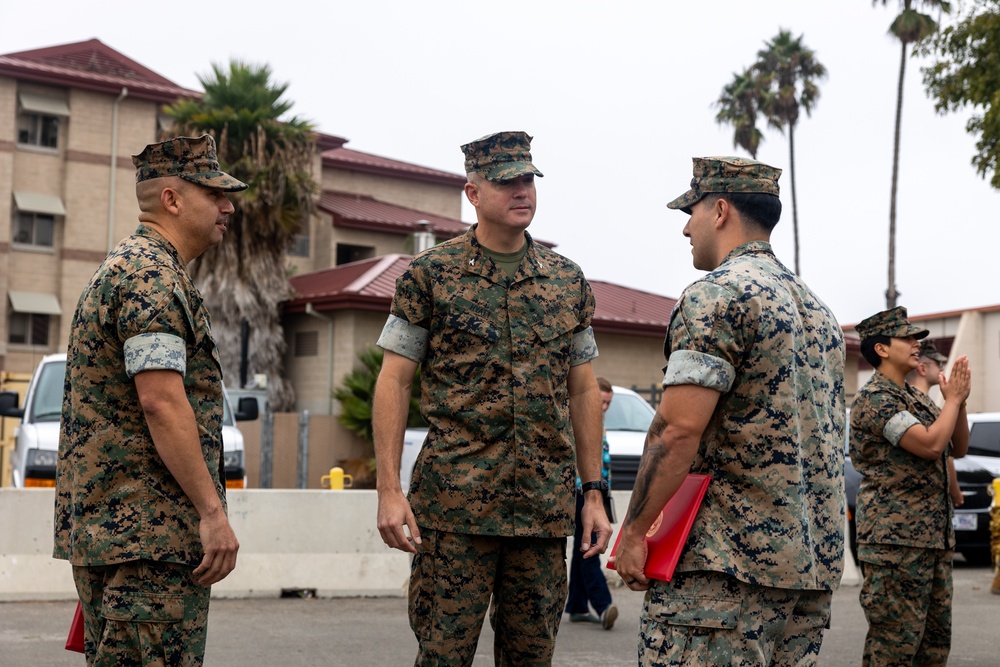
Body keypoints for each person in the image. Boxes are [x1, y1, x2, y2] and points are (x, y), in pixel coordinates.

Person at [373, 130, 610, 666]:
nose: (522, 190)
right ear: (473, 193)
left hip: (542, 513)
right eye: (506, 181)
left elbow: (581, 389)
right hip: (455, 510)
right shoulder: (429, 277)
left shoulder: (566, 282)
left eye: (528, 178)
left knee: (532, 659)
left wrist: (593, 493)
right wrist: (388, 489)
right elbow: (395, 381)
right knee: (442, 656)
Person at [612, 156, 846, 665]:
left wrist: (632, 533)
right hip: (806, 574)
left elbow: (676, 430)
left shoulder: (718, 296)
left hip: (724, 574)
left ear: (720, 211)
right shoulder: (818, 311)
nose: (685, 227)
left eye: (690, 211)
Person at [54, 135, 246, 665]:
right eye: (215, 192)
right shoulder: (150, 278)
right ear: (173, 199)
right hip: (146, 540)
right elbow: (160, 401)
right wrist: (212, 513)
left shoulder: (134, 268)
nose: (228, 205)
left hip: (128, 535)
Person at [851, 306, 971, 666]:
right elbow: (930, 444)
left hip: (931, 541)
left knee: (933, 648)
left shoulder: (916, 399)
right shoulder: (876, 399)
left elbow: (957, 448)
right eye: (906, 338)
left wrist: (959, 403)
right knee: (894, 649)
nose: (917, 344)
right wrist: (950, 401)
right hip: (895, 545)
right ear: (882, 349)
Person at [566, 376, 617, 630]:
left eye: (608, 403)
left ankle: (576, 605)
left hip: (597, 495)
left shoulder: (599, 423)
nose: (604, 407)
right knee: (590, 547)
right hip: (580, 494)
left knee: (581, 548)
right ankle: (603, 604)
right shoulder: (578, 419)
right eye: (601, 401)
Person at [906, 339, 964, 509]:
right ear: (922, 368)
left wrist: (959, 400)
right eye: (938, 363)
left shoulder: (929, 405)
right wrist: (955, 493)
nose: (941, 368)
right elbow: (944, 454)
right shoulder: (909, 403)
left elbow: (958, 450)